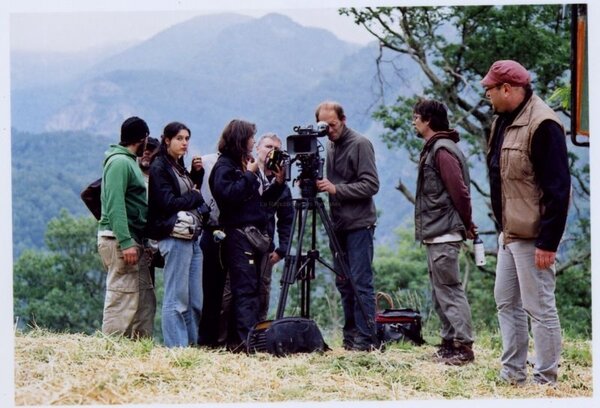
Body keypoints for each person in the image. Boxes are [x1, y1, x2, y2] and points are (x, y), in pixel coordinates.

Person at [482, 60, 570, 385]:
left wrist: (548, 242)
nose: (487, 94)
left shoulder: (544, 124)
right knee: (505, 299)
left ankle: (546, 379)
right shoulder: (503, 121)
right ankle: (512, 374)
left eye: (490, 89)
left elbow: (559, 189)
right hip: (510, 231)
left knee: (539, 306)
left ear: (507, 89)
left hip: (533, 235)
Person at [209, 119, 285, 351]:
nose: (253, 141)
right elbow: (229, 196)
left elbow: (259, 203)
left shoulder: (241, 165)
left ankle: (249, 340)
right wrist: (250, 175)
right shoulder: (225, 167)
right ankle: (244, 342)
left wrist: (279, 185)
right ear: (241, 139)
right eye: (252, 137)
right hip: (238, 236)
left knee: (251, 290)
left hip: (251, 236)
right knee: (243, 290)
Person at [412, 99, 477, 365]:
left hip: (444, 232)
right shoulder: (438, 148)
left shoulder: (441, 150)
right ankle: (449, 343)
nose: (414, 122)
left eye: (416, 117)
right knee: (441, 292)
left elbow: (459, 191)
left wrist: (467, 222)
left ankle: (463, 346)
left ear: (427, 120)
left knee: (449, 290)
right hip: (437, 232)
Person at [314, 101, 380, 351]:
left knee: (361, 281)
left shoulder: (360, 144)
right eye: (324, 126)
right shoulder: (329, 144)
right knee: (343, 282)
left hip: (359, 224)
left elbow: (371, 184)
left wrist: (335, 189)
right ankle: (350, 335)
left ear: (343, 119)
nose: (329, 130)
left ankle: (366, 338)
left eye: (332, 124)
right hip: (338, 224)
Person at [146, 121, 207, 348]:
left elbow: (187, 195)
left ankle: (190, 345)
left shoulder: (176, 165)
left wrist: (196, 176)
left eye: (187, 139)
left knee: (194, 300)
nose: (184, 143)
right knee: (176, 298)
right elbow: (169, 203)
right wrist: (196, 195)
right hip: (173, 236)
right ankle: (176, 349)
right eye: (180, 138)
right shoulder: (160, 166)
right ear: (167, 140)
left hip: (190, 237)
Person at [97, 116, 156, 339]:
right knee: (122, 295)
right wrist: (125, 241)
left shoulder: (129, 161)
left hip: (133, 239)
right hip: (119, 240)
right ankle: (111, 347)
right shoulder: (120, 163)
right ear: (142, 138)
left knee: (144, 297)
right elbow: (115, 204)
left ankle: (138, 345)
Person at [254, 133, 293, 321]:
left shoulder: (283, 186)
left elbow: (287, 219)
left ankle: (259, 333)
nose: (272, 152)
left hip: (266, 246)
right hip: (241, 243)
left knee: (263, 290)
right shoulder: (247, 173)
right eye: (268, 147)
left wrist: (282, 249)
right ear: (257, 149)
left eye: (276, 149)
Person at [197, 152, 230, 348]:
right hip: (210, 230)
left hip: (231, 232)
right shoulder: (208, 163)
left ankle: (224, 338)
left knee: (230, 292)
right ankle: (206, 339)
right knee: (209, 289)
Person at [138, 136, 162, 286]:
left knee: (148, 288)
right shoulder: (132, 175)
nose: (146, 154)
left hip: (154, 242)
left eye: (151, 151)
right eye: (144, 150)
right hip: (136, 239)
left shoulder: (159, 178)